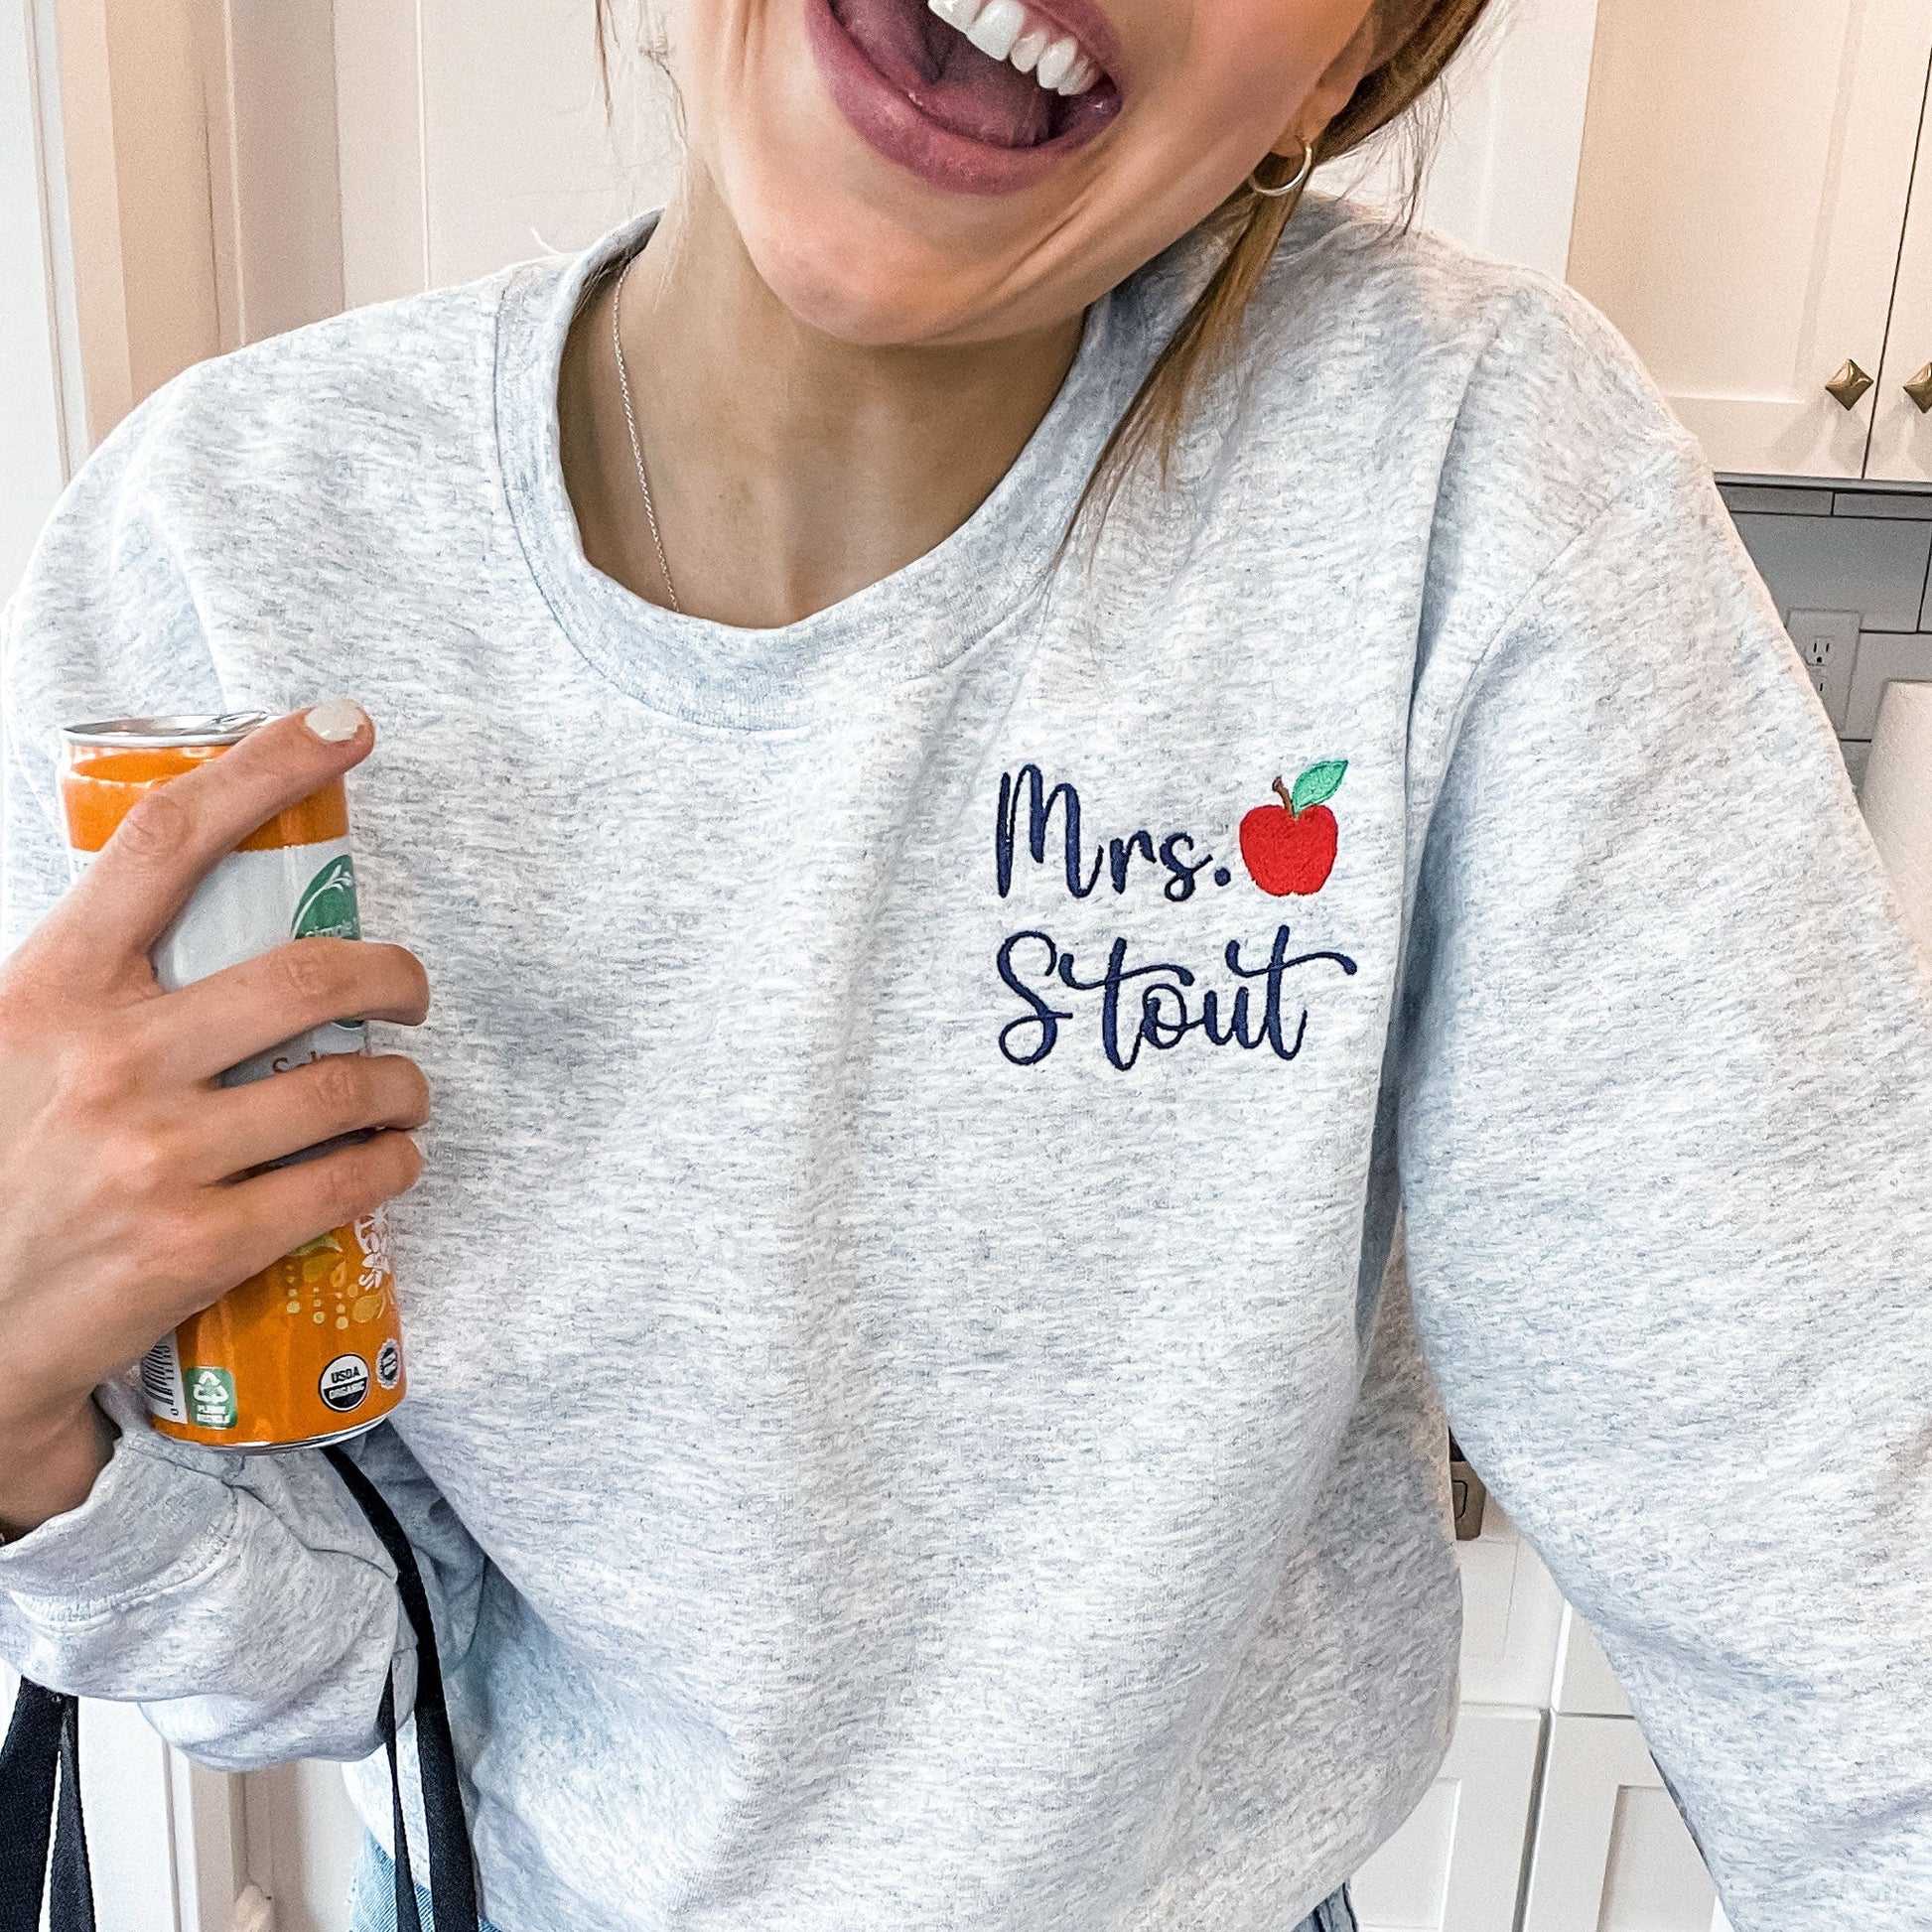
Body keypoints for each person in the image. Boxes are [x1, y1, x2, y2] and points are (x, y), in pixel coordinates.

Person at [1, 0, 1928, 1923]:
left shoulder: (1456, 463)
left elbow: (1828, 1545)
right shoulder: (227, 553)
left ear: (1341, 71)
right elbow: (327, 1644)